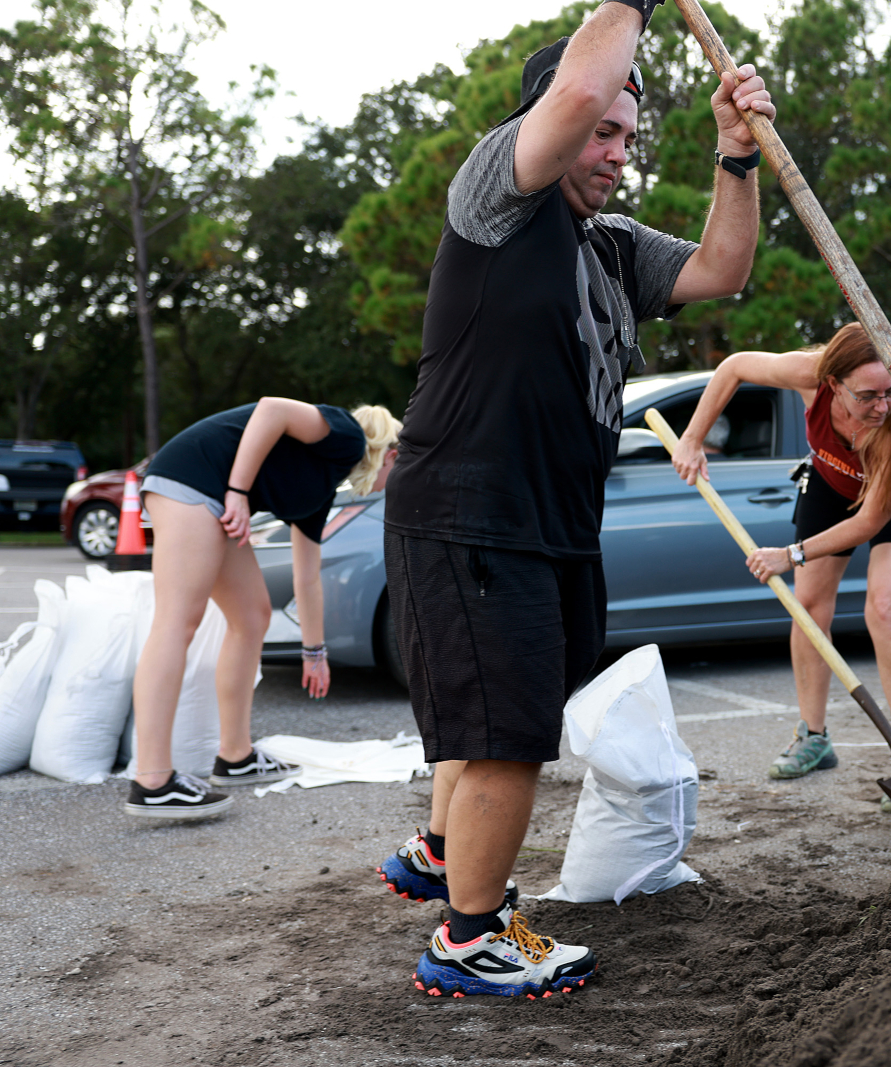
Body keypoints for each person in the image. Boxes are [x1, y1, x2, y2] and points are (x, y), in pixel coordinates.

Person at [375, 0, 774, 1001]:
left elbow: (723, 269)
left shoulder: (609, 245)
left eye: (629, 138)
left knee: (500, 722)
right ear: (549, 120)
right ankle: (468, 941)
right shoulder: (496, 196)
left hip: (550, 525)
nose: (616, 151)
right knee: (507, 736)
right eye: (601, 133)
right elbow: (587, 82)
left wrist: (735, 156)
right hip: (473, 510)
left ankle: (448, 863)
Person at [671, 323, 891, 809]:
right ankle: (813, 737)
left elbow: (869, 521)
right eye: (867, 396)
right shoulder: (808, 373)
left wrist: (790, 554)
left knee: (885, 608)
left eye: (889, 391)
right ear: (833, 384)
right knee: (809, 605)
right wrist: (692, 439)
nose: (882, 405)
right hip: (830, 478)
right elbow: (733, 368)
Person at [123, 399, 401, 820]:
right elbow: (272, 409)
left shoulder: (323, 487)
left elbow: (306, 576)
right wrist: (237, 492)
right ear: (392, 455)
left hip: (215, 494)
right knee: (177, 622)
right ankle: (153, 781)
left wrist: (315, 652)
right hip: (194, 480)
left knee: (252, 615)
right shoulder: (346, 435)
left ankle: (236, 756)